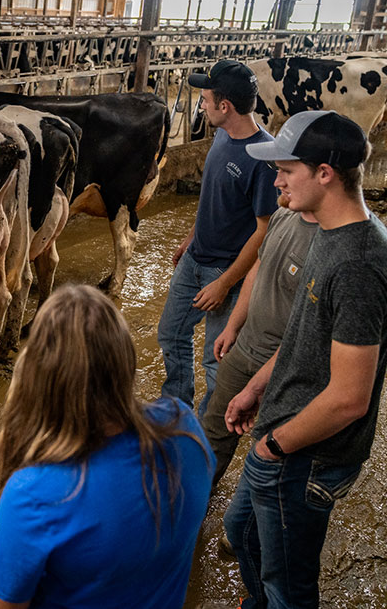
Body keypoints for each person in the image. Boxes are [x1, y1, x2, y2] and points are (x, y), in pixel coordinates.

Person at [223, 110, 387, 609]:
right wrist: (255, 389)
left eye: (285, 170)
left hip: (307, 455)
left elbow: (348, 399)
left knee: (288, 586)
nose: (275, 181)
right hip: (284, 430)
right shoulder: (326, 231)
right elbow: (303, 336)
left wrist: (273, 446)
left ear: (324, 173)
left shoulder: (358, 264)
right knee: (244, 534)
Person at [0, 284, 215, 609]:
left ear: (41, 377)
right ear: (124, 359)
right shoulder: (184, 428)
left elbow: (5, 604)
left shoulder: (33, 494)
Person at [158, 59, 279, 417]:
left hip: (226, 272)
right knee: (171, 334)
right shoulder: (222, 134)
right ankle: (177, 410)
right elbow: (215, 194)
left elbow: (264, 231)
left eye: (206, 100)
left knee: (217, 357)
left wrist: (226, 284)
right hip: (196, 257)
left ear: (225, 106)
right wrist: (191, 236)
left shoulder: (264, 157)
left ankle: (209, 431)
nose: (202, 106)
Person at [201, 199, 318, 487]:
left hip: (284, 368)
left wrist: (260, 381)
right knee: (213, 431)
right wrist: (233, 325)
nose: (277, 181)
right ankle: (193, 505)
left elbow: (311, 330)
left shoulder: (330, 241)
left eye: (286, 171)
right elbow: (257, 270)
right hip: (244, 349)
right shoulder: (282, 215)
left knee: (271, 454)